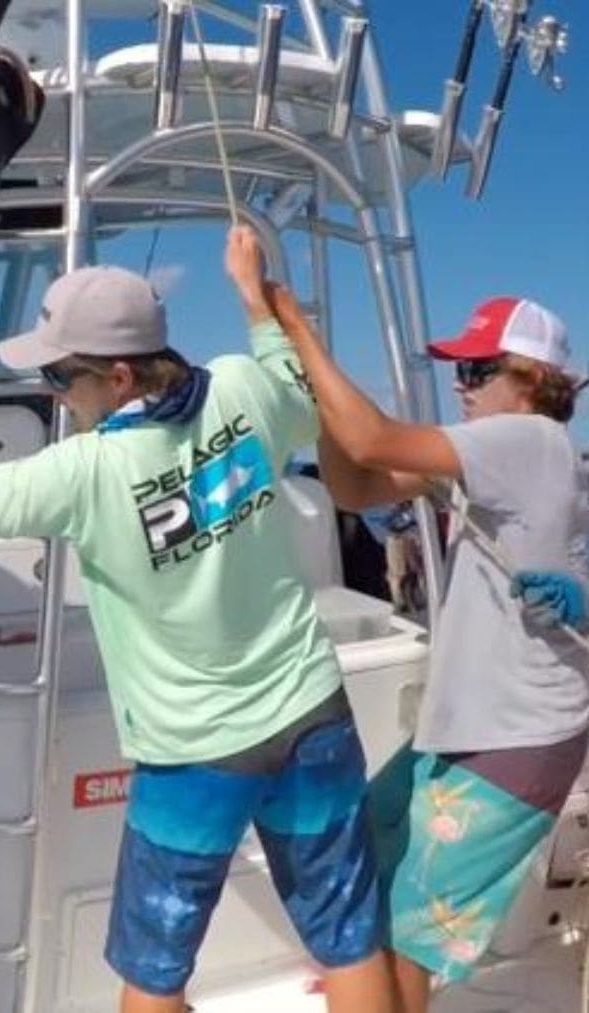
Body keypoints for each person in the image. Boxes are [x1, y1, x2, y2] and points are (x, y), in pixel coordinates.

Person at [0, 231, 392, 1013]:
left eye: (61, 376)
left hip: (195, 757)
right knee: (348, 935)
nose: (56, 393)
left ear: (118, 376)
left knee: (156, 969)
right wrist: (253, 299)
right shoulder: (240, 386)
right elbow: (297, 396)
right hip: (312, 715)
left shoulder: (84, 472)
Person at [263, 282, 589, 1010]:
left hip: (514, 736)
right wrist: (316, 404)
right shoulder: (505, 457)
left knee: (410, 927)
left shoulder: (525, 439)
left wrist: (298, 336)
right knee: (368, 842)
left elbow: (372, 439)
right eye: (458, 370)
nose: (461, 385)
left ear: (533, 380)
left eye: (478, 369)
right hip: (474, 726)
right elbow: (354, 486)